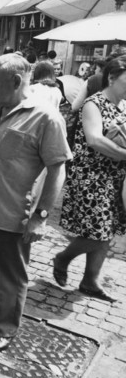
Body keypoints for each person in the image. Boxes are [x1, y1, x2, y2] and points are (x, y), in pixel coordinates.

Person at [0, 54, 72, 352]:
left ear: (15, 81)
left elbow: (57, 167)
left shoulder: (46, 116)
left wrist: (41, 216)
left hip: (11, 214)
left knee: (10, 276)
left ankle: (6, 327)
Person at [54, 56, 126, 303]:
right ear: (112, 77)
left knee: (108, 229)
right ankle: (63, 257)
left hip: (116, 177)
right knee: (98, 233)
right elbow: (94, 139)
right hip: (92, 176)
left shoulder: (124, 105)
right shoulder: (93, 104)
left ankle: (90, 281)